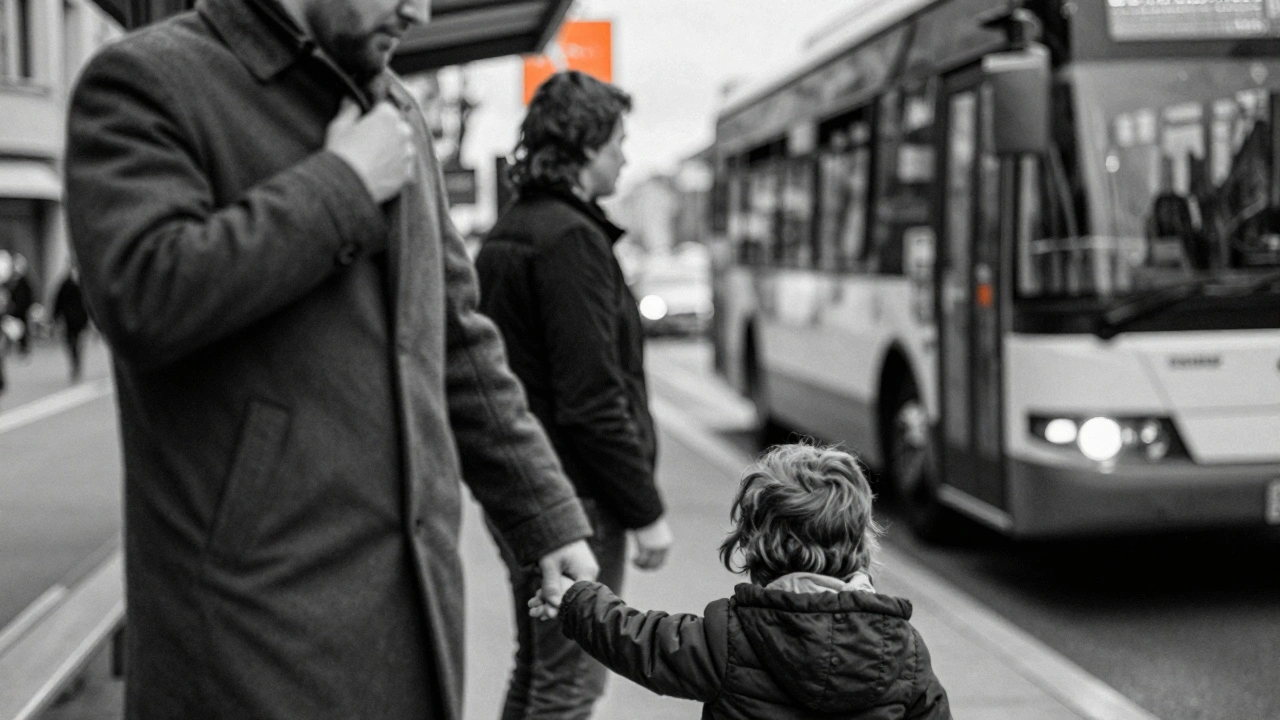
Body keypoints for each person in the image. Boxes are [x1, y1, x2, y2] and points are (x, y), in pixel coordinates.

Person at [63, 1, 598, 718]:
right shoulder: (145, 79)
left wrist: (543, 515)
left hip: (412, 611)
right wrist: (343, 184)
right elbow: (140, 294)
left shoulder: (395, 107)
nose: (420, 9)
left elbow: (455, 338)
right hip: (249, 637)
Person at [475, 70, 673, 720]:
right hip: (575, 496)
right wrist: (645, 510)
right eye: (618, 140)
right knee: (572, 681)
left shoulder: (514, 229)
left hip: (527, 485)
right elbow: (592, 400)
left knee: (540, 667)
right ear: (586, 147)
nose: (626, 155)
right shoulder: (570, 242)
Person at [531, 443, 953, 720]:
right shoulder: (904, 650)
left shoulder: (730, 639)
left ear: (754, 543)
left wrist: (576, 599)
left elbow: (637, 639)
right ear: (862, 538)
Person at [52, 269, 90, 382]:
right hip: (69, 319)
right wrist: (55, 316)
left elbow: (89, 302)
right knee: (70, 342)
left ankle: (76, 361)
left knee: (77, 342)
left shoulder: (82, 284)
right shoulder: (66, 284)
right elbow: (58, 301)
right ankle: (75, 361)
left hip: (80, 319)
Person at [6, 254, 33, 356]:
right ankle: (18, 347)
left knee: (22, 330)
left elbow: (29, 296)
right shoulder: (13, 282)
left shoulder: (24, 282)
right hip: (15, 310)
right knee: (14, 329)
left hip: (22, 310)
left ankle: (23, 348)